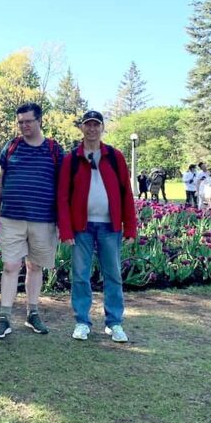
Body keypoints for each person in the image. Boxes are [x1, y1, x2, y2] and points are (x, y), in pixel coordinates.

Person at [57, 110, 137, 343]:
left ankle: (114, 323)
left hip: (110, 227)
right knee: (80, 276)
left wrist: (130, 227)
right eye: (88, 125)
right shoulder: (72, 159)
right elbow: (62, 197)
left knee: (113, 275)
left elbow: (126, 193)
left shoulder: (114, 156)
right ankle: (82, 322)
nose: (92, 129)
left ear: (102, 128)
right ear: (82, 128)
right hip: (81, 228)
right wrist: (66, 229)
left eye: (96, 125)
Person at [0, 102, 65, 339]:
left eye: (28, 121)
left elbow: (63, 185)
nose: (24, 126)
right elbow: (1, 178)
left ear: (39, 120)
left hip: (43, 219)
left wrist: (63, 218)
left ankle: (33, 313)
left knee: (35, 266)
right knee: (10, 266)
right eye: (20, 122)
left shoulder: (54, 149)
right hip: (12, 217)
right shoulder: (12, 146)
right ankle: (4, 317)